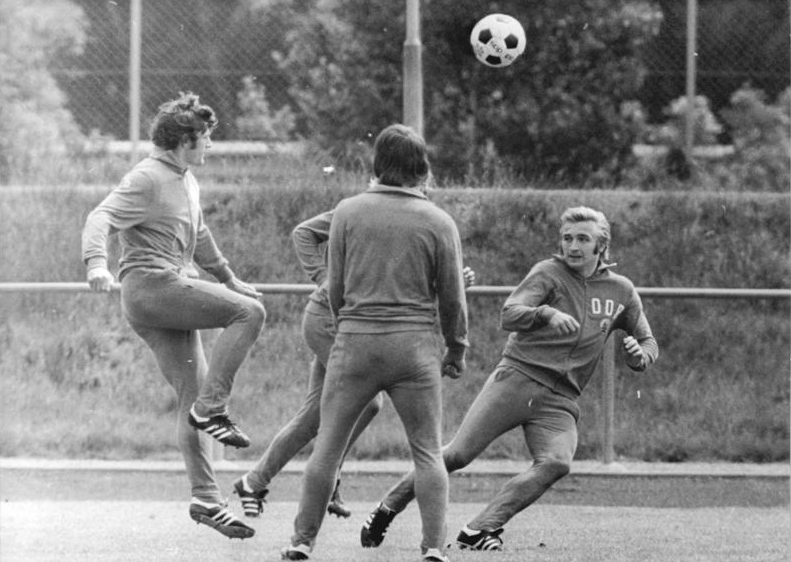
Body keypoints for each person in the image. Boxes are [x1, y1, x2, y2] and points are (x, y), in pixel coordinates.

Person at [360, 206, 659, 552]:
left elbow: (649, 341)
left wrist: (642, 356)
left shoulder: (620, 290)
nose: (573, 246)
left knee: (557, 462)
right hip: (517, 378)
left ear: (601, 246)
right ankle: (386, 508)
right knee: (458, 454)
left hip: (561, 398)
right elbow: (509, 314)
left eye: (583, 239)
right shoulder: (548, 272)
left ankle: (479, 529)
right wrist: (546, 313)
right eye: (567, 238)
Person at [280, 124, 469, 562]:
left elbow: (336, 288)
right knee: (426, 450)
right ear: (422, 168)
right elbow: (452, 297)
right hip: (415, 349)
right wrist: (456, 347)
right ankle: (433, 547)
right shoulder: (439, 221)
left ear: (377, 165)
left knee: (328, 446)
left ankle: (302, 540)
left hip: (356, 341)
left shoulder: (348, 211)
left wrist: (348, 324)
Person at [81, 92, 265, 539]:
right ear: (185, 140)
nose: (211, 146)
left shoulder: (186, 178)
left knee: (191, 394)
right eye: (206, 139)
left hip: (165, 292)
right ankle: (214, 408)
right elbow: (99, 215)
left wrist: (229, 278)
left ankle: (205, 498)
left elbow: (199, 236)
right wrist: (96, 264)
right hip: (152, 288)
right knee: (250, 314)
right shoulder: (147, 177)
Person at [233, 211, 475, 520]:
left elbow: (401, 284)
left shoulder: (421, 218)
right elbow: (303, 233)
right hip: (331, 319)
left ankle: (255, 481)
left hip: (353, 324)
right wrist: (323, 279)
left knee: (316, 413)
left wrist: (452, 282)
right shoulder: (360, 209)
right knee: (367, 401)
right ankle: (319, 478)